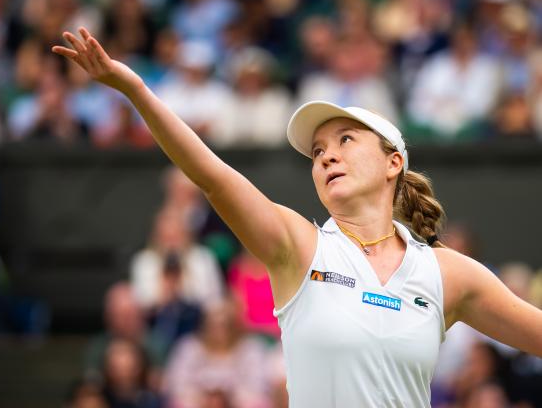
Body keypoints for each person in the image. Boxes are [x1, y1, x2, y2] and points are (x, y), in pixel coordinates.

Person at [52, 27, 542, 407]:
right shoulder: (299, 246)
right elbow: (212, 176)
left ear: (394, 162)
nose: (326, 156)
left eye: (345, 140)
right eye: (317, 151)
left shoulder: (446, 273)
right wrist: (135, 89)